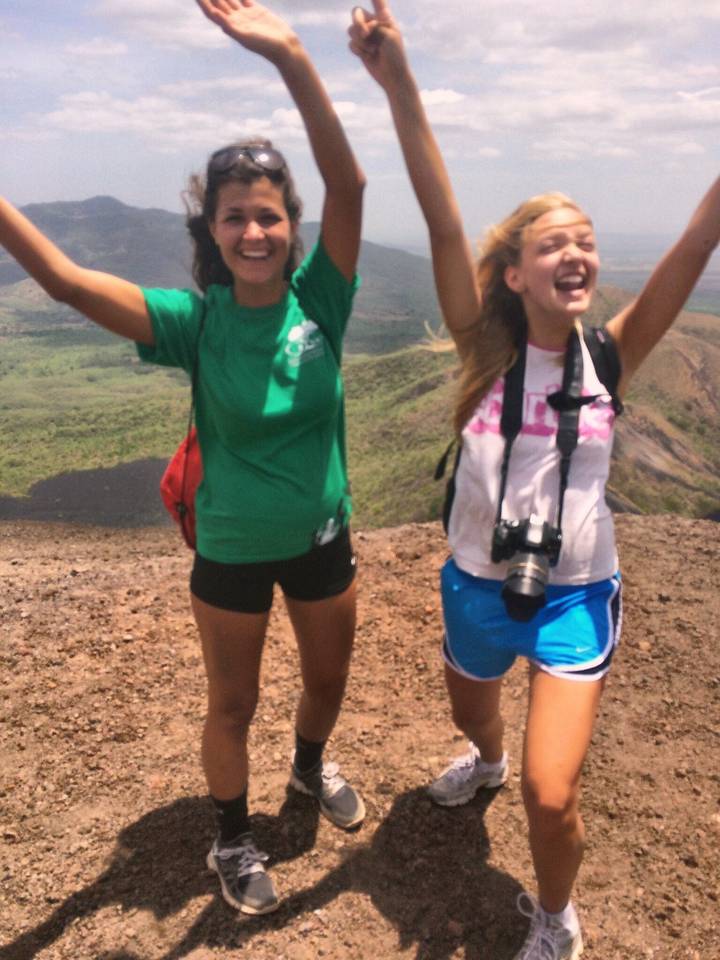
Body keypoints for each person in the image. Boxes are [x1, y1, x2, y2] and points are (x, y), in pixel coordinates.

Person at [348, 3, 720, 958]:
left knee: (553, 795)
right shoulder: (484, 351)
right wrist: (399, 83)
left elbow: (690, 250)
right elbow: (441, 218)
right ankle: (484, 757)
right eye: (553, 241)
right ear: (511, 273)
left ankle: (555, 919)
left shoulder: (612, 354)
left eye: (586, 239)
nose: (577, 252)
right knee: (473, 714)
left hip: (574, 595)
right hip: (476, 581)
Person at [1, 0, 367, 917]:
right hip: (233, 549)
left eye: (270, 218)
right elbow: (66, 282)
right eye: (236, 218)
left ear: (293, 227)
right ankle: (231, 835)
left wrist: (290, 55)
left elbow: (351, 187)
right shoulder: (194, 323)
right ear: (211, 231)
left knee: (327, 682)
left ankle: (310, 770)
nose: (254, 232)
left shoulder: (322, 301)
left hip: (324, 535)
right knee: (232, 704)